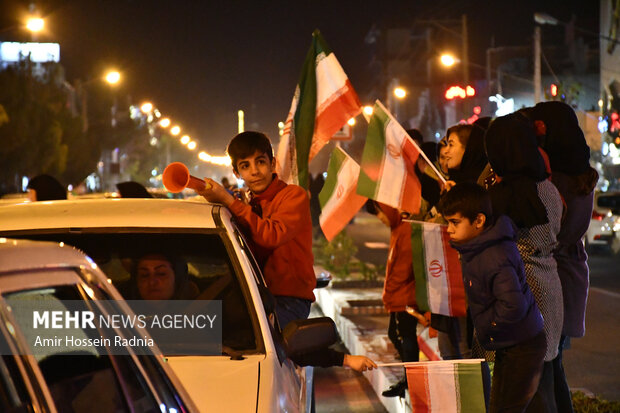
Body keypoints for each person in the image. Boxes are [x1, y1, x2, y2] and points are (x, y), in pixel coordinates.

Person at [437, 183, 545, 413]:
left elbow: (513, 304)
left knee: (505, 408)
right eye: (447, 222)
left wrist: (490, 325)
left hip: (523, 344)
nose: (448, 229)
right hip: (512, 341)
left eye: (455, 222)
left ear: (479, 221)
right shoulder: (476, 248)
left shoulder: (494, 255)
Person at [484, 112, 564, 412]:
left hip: (519, 291)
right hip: (549, 284)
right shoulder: (548, 189)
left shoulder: (505, 194)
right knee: (543, 380)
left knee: (520, 387)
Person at [196, 131, 316, 328]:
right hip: (253, 295)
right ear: (236, 173)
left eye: (260, 161)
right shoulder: (246, 203)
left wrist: (230, 202)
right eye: (245, 166)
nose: (255, 171)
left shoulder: (293, 196)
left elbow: (271, 235)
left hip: (289, 300)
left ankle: (338, 358)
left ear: (272, 163)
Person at [533, 101, 599, 413]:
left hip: (553, 273)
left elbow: (547, 233)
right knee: (554, 361)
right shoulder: (581, 174)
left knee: (544, 365)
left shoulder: (551, 179)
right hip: (572, 270)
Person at [366, 200, 420, 398]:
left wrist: (388, 293)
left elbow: (403, 269)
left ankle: (410, 380)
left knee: (404, 336)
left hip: (403, 296)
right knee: (399, 335)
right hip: (399, 295)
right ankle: (408, 379)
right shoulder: (398, 228)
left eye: (380, 213)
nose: (380, 219)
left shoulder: (404, 229)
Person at [129, 253, 199, 300]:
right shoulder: (122, 316)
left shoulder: (202, 317)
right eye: (144, 275)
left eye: (161, 273)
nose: (152, 282)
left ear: (177, 279)